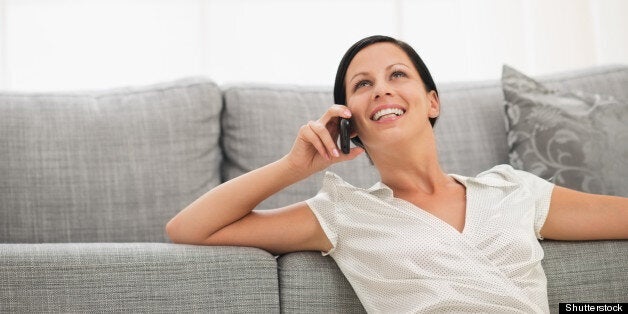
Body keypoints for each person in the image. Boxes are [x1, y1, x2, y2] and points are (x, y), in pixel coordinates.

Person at [166, 35, 628, 313]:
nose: (381, 88)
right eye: (362, 85)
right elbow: (188, 229)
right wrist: (293, 167)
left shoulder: (514, 190)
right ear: (352, 125)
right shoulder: (345, 213)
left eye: (397, 75)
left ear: (432, 102)